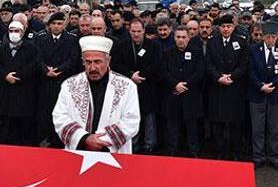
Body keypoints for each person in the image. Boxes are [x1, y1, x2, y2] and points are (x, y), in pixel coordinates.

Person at [53, 35, 140, 153]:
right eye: (88, 62)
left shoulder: (127, 86)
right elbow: (60, 116)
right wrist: (84, 138)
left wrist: (101, 141)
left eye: (97, 62)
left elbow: (131, 120)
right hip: (79, 150)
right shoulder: (69, 85)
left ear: (108, 60)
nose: (92, 67)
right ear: (82, 61)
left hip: (112, 152)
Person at [111, 18, 161, 154]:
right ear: (129, 31)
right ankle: (133, 145)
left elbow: (156, 65)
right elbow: (116, 65)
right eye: (133, 31)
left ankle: (150, 145)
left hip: (148, 86)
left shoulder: (154, 46)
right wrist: (131, 75)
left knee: (149, 119)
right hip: (129, 88)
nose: (136, 34)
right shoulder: (122, 46)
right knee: (130, 118)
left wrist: (142, 76)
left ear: (144, 31)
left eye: (139, 31)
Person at [205, 14, 249, 160]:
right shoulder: (212, 42)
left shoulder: (241, 42)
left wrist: (231, 77)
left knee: (235, 124)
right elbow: (209, 64)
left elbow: (244, 65)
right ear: (219, 27)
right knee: (217, 124)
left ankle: (236, 152)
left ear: (233, 27)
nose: (225, 29)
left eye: (228, 26)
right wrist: (218, 77)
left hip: (234, 88)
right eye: (223, 26)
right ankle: (220, 152)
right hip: (217, 88)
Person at [248, 21, 278, 171]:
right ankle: (258, 157)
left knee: (274, 128)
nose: (271, 40)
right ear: (263, 37)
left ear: (277, 36)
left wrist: (273, 85)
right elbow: (250, 71)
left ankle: (275, 157)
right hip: (257, 95)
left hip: (275, 95)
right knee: (257, 129)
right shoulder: (253, 50)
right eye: (268, 37)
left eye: (274, 37)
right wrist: (261, 86)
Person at [36, 12, 80, 147]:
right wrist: (46, 70)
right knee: (46, 111)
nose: (56, 26)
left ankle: (60, 139)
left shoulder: (72, 39)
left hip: (62, 80)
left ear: (64, 24)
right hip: (46, 80)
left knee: (62, 111)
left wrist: (59, 70)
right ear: (49, 25)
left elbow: (73, 59)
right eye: (53, 24)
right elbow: (37, 57)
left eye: (59, 23)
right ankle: (47, 138)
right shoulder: (41, 38)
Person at [159, 26, 204, 157]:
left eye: (184, 37)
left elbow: (199, 72)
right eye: (178, 37)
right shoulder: (167, 53)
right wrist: (175, 84)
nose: (181, 40)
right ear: (174, 38)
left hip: (191, 97)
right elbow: (163, 72)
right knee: (172, 128)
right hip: (173, 97)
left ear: (188, 38)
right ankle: (172, 152)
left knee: (192, 128)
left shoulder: (197, 52)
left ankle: (193, 152)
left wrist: (185, 85)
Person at [0, 21, 40, 145]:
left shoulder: (31, 48)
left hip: (24, 92)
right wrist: (5, 76)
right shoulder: (1, 48)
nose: (13, 34)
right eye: (11, 31)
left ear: (23, 32)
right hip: (6, 93)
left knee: (24, 128)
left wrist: (18, 76)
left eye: (17, 31)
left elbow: (33, 65)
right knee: (7, 128)